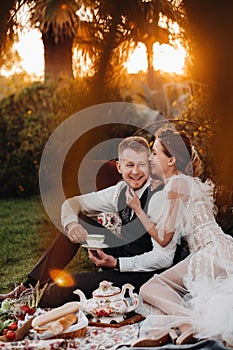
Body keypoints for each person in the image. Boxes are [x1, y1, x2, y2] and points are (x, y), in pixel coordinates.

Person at [0, 136, 181, 307]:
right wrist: (72, 226)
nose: (135, 171)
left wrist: (116, 263)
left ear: (149, 164)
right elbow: (73, 203)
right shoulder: (120, 190)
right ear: (119, 167)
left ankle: (25, 303)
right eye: (129, 165)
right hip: (123, 254)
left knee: (67, 286)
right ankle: (29, 286)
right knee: (78, 220)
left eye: (141, 164)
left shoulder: (160, 197)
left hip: (144, 275)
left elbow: (165, 258)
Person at [127, 128, 233, 348]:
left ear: (171, 160)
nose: (150, 158)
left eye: (155, 153)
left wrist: (138, 210)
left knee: (149, 289)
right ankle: (164, 331)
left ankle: (187, 324)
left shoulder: (176, 184)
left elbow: (164, 238)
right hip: (219, 247)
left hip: (209, 250)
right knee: (158, 295)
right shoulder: (185, 182)